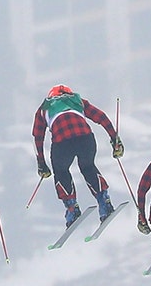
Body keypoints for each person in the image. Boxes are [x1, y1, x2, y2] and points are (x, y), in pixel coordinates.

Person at [31, 84, 123, 227]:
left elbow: (38, 136)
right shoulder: (77, 100)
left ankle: (72, 208)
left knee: (61, 171)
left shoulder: (44, 108)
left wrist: (41, 163)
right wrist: (114, 139)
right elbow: (101, 117)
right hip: (85, 138)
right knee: (88, 167)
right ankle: (104, 201)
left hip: (62, 142)